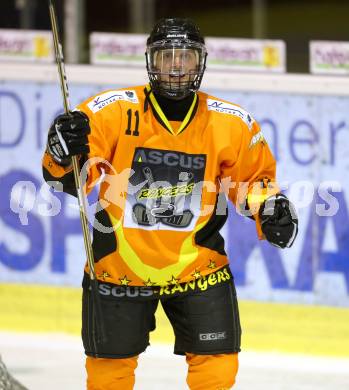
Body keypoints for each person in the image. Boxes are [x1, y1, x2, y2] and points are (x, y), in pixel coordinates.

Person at [42, 17, 298, 390]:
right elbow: (69, 179)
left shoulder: (231, 122)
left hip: (199, 268)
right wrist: (60, 152)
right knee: (108, 376)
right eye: (166, 57)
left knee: (218, 371)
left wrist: (270, 207)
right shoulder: (110, 111)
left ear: (201, 63)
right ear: (151, 61)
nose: (176, 67)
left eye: (186, 58)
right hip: (118, 268)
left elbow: (253, 181)